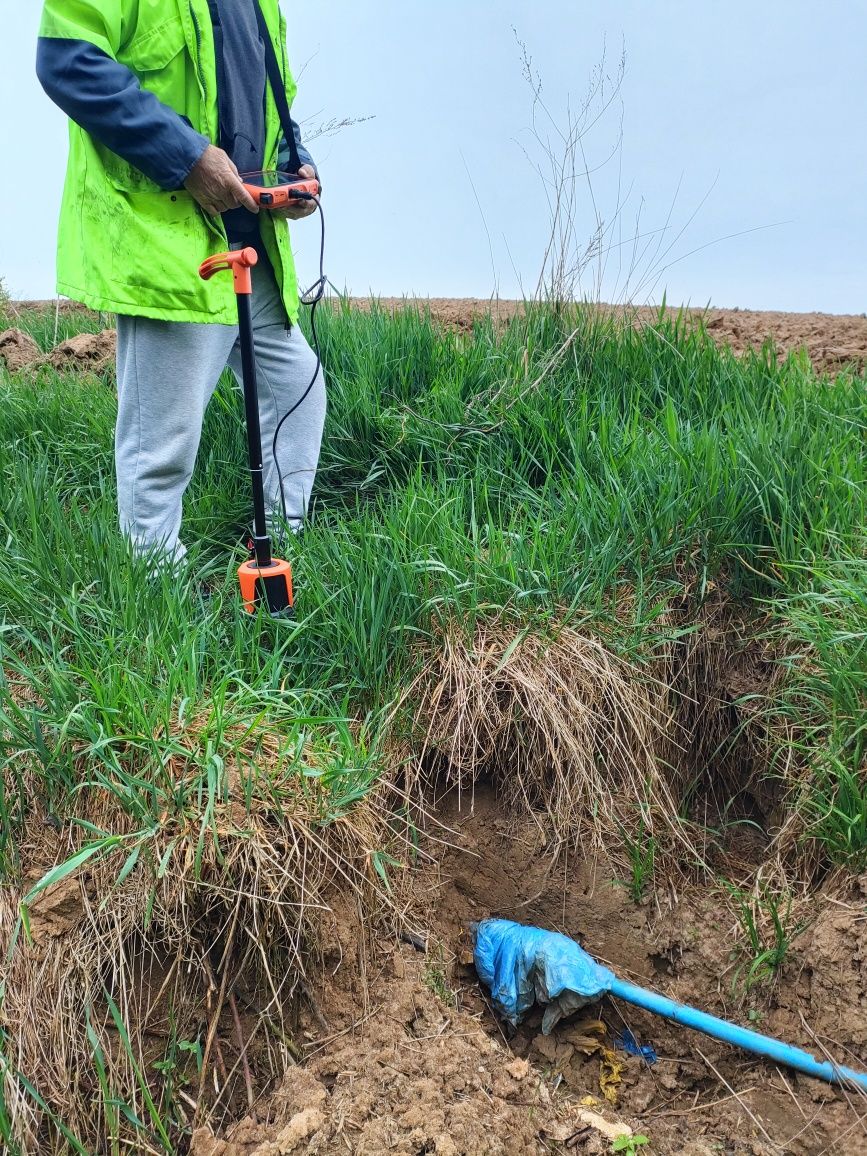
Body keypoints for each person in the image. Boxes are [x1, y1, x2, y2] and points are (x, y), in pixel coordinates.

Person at [36, 0, 325, 564]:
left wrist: (296, 161)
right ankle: (153, 597)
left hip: (252, 240)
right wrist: (187, 156)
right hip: (169, 244)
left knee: (298, 390)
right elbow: (67, 60)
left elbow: (269, 102)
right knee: (163, 443)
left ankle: (285, 551)